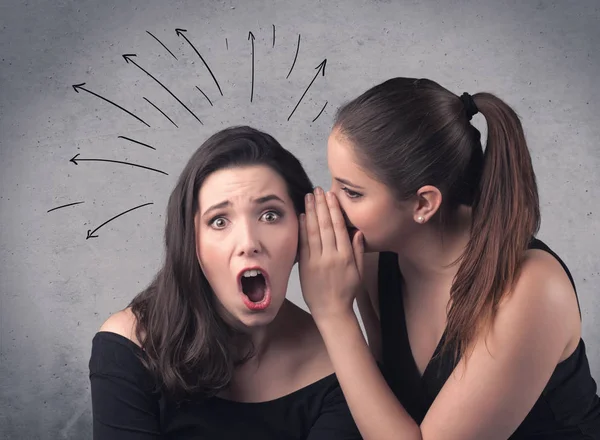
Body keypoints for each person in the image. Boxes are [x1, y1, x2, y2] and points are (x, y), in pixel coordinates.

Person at [297, 77, 600, 439]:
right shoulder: (373, 261)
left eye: (351, 192)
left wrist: (333, 314)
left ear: (424, 203)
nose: (330, 205)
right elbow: (386, 409)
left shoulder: (532, 289)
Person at [88, 126, 362, 440]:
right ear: (192, 242)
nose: (249, 243)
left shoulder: (343, 368)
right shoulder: (129, 346)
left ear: (305, 229)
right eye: (219, 221)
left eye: (270, 215)